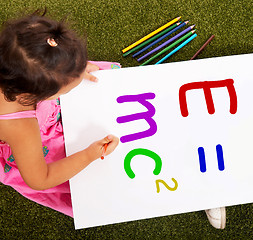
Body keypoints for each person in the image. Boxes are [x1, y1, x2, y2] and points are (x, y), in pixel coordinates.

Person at [0, 9, 119, 218]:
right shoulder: (21, 128)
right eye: (68, 89)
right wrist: (88, 155)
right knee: (90, 177)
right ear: (36, 97)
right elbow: (40, 179)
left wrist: (73, 70)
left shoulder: (17, 63)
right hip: (28, 145)